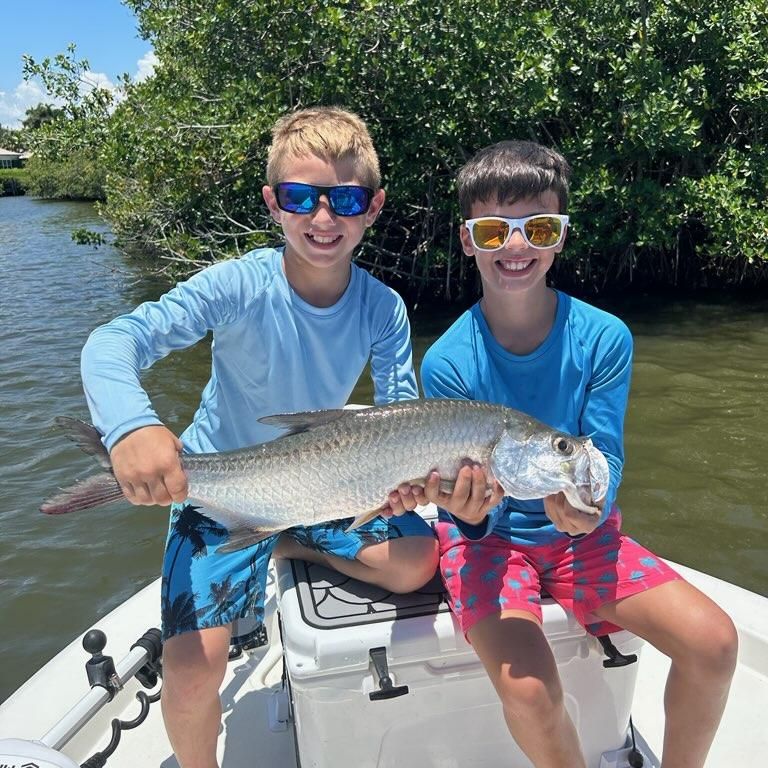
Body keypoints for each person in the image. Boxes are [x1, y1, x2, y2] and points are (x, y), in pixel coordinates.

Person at [80, 107, 438, 768]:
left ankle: (292, 541)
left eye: (346, 199)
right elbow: (115, 341)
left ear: (374, 207)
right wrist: (130, 426)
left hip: (325, 484)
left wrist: (412, 478)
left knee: (419, 559)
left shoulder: (384, 307)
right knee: (192, 675)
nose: (323, 218)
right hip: (220, 491)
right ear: (274, 203)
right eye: (301, 197)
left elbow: (401, 414)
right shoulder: (235, 285)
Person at [417, 140, 737, 768]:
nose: (516, 247)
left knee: (716, 643)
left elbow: (602, 456)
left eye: (537, 227)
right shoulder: (447, 361)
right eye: (493, 230)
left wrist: (593, 506)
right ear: (466, 239)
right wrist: (470, 513)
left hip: (584, 538)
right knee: (531, 692)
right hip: (490, 544)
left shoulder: (604, 337)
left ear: (560, 235)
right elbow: (465, 511)